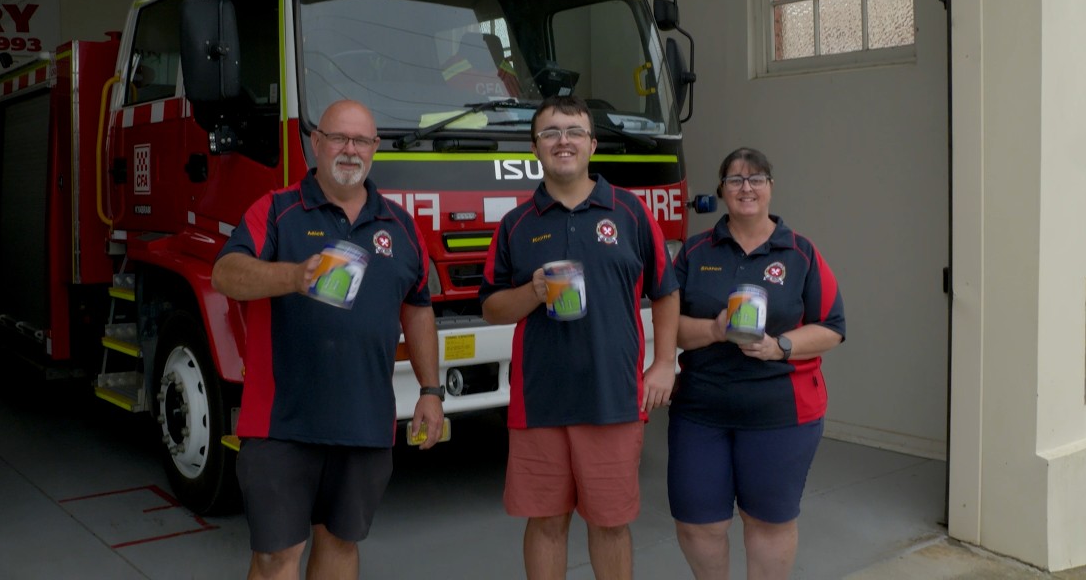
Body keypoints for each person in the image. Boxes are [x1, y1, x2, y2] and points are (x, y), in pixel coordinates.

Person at [211, 99, 445, 580]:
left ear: (375, 148)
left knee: (340, 543)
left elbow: (418, 307)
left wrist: (430, 391)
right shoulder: (277, 211)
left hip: (364, 421)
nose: (350, 150)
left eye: (361, 140)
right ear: (315, 143)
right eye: (338, 138)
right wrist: (295, 276)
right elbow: (226, 274)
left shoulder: (400, 226)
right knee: (277, 555)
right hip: (281, 422)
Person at [480, 95, 679, 580]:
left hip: (612, 399)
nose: (562, 141)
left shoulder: (630, 212)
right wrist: (533, 290)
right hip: (539, 402)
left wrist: (663, 363)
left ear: (591, 144)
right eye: (550, 132)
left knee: (610, 524)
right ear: (535, 148)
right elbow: (490, 308)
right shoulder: (516, 225)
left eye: (572, 131)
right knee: (545, 521)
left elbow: (667, 292)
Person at [668, 147, 846, 580]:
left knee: (768, 522)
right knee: (697, 522)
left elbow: (832, 327)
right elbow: (666, 326)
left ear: (770, 187)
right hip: (701, 410)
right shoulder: (694, 253)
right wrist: (714, 330)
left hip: (781, 412)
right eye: (735, 180)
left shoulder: (800, 253)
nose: (745, 188)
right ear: (721, 191)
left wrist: (778, 345)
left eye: (756, 179)